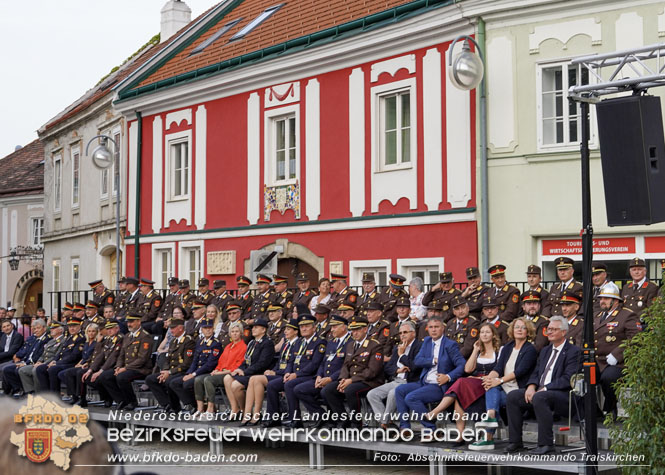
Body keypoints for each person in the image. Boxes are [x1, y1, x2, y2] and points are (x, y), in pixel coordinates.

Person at [505, 316, 581, 455]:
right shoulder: (545, 350)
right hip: (541, 392)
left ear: (563, 332)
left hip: (563, 395)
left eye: (553, 329)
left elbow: (567, 379)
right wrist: (531, 386)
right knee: (513, 396)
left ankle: (546, 444)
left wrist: (544, 388)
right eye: (548, 329)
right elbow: (536, 372)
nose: (549, 332)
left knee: (540, 397)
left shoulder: (573, 352)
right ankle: (515, 442)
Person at [427, 322, 501, 446]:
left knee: (460, 383)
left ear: (493, 335)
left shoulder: (499, 351)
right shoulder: (478, 351)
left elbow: (500, 370)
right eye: (482, 332)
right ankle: (460, 435)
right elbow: (467, 369)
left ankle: (436, 412)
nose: (484, 334)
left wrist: (481, 378)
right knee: (459, 394)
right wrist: (475, 350)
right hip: (476, 382)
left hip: (490, 382)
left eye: (487, 332)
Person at [472, 318, 538, 450]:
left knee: (493, 394)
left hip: (518, 390)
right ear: (512, 330)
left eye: (523, 327)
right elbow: (498, 367)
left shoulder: (530, 349)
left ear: (528, 331)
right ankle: (490, 416)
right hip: (503, 388)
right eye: (516, 327)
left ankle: (488, 438)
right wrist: (489, 379)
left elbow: (520, 372)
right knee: (491, 388)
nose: (519, 330)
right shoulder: (508, 347)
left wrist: (499, 380)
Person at [394, 317, 466, 433]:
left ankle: (430, 428)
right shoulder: (427, 341)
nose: (433, 330)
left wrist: (448, 377)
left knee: (411, 398)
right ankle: (405, 427)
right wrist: (433, 360)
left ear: (443, 328)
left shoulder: (450, 345)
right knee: (400, 390)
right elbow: (418, 361)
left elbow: (462, 365)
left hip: (439, 385)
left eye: (436, 327)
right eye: (431, 327)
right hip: (424, 382)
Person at [321, 315, 384, 428]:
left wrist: (351, 380)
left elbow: (372, 371)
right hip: (351, 379)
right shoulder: (350, 345)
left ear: (365, 329)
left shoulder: (374, 345)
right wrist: (342, 379)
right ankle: (343, 420)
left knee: (351, 390)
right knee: (328, 390)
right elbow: (346, 365)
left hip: (369, 381)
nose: (354, 333)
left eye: (357, 330)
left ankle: (357, 423)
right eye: (352, 330)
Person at [265, 313, 326, 428]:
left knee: (289, 384)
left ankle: (295, 418)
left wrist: (296, 374)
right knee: (272, 385)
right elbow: (291, 360)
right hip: (296, 375)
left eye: (307, 326)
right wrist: (288, 372)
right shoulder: (300, 342)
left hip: (310, 376)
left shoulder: (319, 342)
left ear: (314, 328)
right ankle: (273, 417)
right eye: (302, 326)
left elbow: (314, 364)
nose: (303, 328)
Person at [291, 315, 350, 428]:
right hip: (323, 377)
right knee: (299, 389)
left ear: (343, 328)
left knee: (326, 391)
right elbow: (323, 362)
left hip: (338, 378)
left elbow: (345, 366)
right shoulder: (332, 342)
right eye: (331, 327)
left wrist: (330, 378)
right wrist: (319, 376)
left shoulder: (350, 342)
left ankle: (341, 420)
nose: (331, 330)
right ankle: (321, 416)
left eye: (334, 327)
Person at [594, 283, 640, 417]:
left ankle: (610, 407)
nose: (602, 301)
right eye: (601, 298)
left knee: (608, 378)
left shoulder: (627, 315)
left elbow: (636, 339)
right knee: (582, 375)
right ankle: (592, 411)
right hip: (598, 359)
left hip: (619, 362)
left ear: (616, 301)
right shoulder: (597, 316)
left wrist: (617, 354)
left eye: (606, 298)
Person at [244, 318, 299, 426]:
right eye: (285, 329)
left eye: (288, 329)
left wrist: (279, 372)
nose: (285, 332)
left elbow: (294, 363)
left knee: (257, 379)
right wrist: (272, 370)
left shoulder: (298, 344)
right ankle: (251, 414)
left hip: (288, 374)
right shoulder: (286, 344)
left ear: (296, 331)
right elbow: (280, 362)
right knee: (254, 379)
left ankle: (265, 415)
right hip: (279, 373)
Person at [367, 320, 422, 429]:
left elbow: (415, 366)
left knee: (393, 393)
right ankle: (387, 423)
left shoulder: (420, 346)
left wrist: (402, 355)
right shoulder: (397, 347)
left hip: (411, 381)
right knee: (372, 394)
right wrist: (397, 370)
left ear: (413, 333)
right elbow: (388, 367)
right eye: (400, 333)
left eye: (405, 332)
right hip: (396, 380)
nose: (402, 335)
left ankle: (384, 423)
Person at [97, 312, 153, 410]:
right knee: (104, 376)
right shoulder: (127, 336)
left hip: (140, 369)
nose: (129, 324)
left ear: (139, 322)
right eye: (128, 322)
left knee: (121, 377)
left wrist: (125, 368)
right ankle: (121, 400)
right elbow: (121, 355)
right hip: (126, 367)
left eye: (131, 322)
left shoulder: (145, 336)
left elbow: (143, 359)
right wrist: (118, 366)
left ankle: (132, 401)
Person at [222, 318, 275, 418]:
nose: (253, 329)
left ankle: (244, 410)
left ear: (263, 330)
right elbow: (246, 360)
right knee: (227, 378)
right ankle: (235, 409)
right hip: (248, 371)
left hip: (258, 373)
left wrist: (245, 372)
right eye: (252, 327)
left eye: (256, 327)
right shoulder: (252, 342)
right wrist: (239, 369)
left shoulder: (267, 343)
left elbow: (262, 363)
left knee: (235, 385)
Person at [170, 318, 222, 414]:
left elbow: (210, 365)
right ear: (201, 330)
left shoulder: (216, 343)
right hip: (196, 372)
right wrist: (188, 373)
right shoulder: (200, 342)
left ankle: (201, 407)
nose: (207, 330)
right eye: (205, 328)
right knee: (175, 383)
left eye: (209, 328)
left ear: (213, 329)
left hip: (206, 373)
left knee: (187, 384)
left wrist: (193, 374)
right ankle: (193, 405)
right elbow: (195, 361)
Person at [145, 317, 196, 413]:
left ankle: (187, 404)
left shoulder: (188, 341)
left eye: (173, 328)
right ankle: (167, 404)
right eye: (170, 328)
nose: (171, 330)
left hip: (183, 371)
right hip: (171, 371)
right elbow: (167, 359)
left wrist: (169, 372)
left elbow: (187, 363)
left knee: (170, 381)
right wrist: (165, 371)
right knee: (150, 379)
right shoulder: (173, 341)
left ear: (180, 328)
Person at [197, 321, 247, 417]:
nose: (235, 333)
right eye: (232, 331)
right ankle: (201, 409)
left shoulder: (243, 347)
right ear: (229, 334)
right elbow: (221, 362)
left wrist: (220, 373)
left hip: (231, 374)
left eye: (237, 331)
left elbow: (237, 366)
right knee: (199, 379)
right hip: (221, 372)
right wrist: (217, 370)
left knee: (208, 380)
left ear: (241, 333)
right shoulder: (228, 346)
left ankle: (211, 409)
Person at [16, 321, 66, 396]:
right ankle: (31, 392)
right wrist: (39, 361)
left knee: (36, 369)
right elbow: (43, 354)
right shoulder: (51, 341)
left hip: (50, 363)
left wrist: (43, 363)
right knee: (23, 370)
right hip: (42, 362)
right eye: (51, 328)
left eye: (54, 328)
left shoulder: (63, 340)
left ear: (60, 330)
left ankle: (39, 393)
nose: (51, 330)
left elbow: (56, 355)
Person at [1, 319, 49, 395]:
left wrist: (25, 363)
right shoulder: (33, 338)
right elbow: (24, 349)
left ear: (44, 328)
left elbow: (40, 354)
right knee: (6, 369)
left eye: (38, 328)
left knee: (17, 369)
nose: (35, 330)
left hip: (33, 362)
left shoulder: (47, 339)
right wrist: (17, 356)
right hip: (23, 360)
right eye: (33, 329)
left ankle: (27, 391)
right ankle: (17, 389)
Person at [85, 320, 124, 407]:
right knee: (88, 377)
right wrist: (91, 369)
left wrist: (100, 371)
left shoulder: (120, 339)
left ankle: (120, 400)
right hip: (106, 366)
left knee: (103, 376)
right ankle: (107, 398)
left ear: (117, 328)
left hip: (115, 366)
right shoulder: (108, 339)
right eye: (108, 329)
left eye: (111, 328)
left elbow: (113, 357)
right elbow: (101, 355)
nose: (109, 331)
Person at [60, 323, 100, 405]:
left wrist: (84, 364)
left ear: (96, 332)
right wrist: (79, 363)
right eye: (89, 331)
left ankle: (82, 398)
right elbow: (83, 356)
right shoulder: (86, 342)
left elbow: (94, 357)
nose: (91, 333)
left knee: (79, 373)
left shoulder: (97, 343)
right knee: (68, 372)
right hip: (83, 364)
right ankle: (74, 396)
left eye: (93, 331)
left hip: (90, 365)